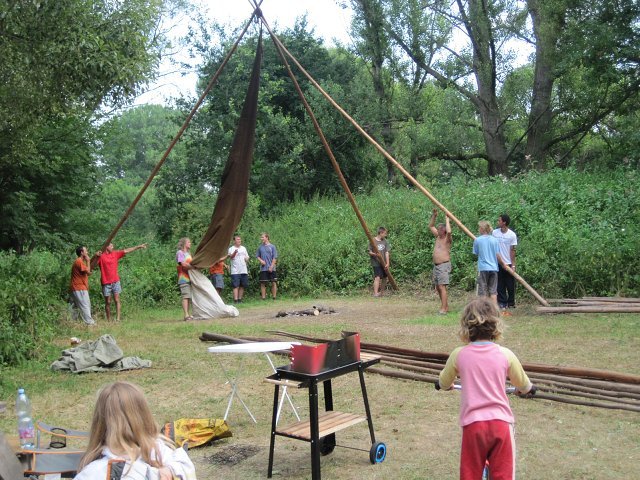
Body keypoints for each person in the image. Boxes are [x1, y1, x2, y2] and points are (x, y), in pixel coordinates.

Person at [436, 298, 536, 480]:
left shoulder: (459, 354)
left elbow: (443, 382)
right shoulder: (505, 355)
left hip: (473, 425)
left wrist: (445, 385)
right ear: (496, 325)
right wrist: (526, 390)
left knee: (470, 474)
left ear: (466, 326)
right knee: (503, 474)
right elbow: (524, 385)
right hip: (500, 424)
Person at [74, 381, 197, 480]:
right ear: (144, 416)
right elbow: (185, 467)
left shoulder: (93, 472)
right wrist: (168, 471)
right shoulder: (163, 453)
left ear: (99, 424)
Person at [96, 242, 147, 322]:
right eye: (111, 245)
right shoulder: (101, 256)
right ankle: (109, 320)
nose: (113, 247)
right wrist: (96, 256)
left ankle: (118, 319)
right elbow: (92, 265)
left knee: (117, 300)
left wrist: (139, 246)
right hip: (106, 282)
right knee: (108, 302)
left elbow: (127, 250)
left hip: (115, 281)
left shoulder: (115, 254)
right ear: (106, 247)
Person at [493, 214, 518, 314]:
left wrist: (513, 265)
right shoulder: (495, 233)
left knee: (510, 284)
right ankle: (502, 303)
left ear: (504, 222)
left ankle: (511, 302)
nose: (498, 222)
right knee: (500, 284)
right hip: (498, 262)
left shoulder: (512, 235)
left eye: (499, 220)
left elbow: (513, 251)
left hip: (508, 263)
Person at [472, 221, 502, 305]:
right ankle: (494, 310)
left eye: (479, 227)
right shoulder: (495, 240)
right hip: (493, 268)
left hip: (483, 268)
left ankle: (483, 309)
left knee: (482, 291)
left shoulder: (477, 240)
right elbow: (497, 254)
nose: (478, 229)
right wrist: (503, 264)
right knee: (493, 291)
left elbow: (476, 253)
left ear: (482, 229)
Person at [429, 209, 452, 314]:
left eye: (440, 229)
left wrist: (447, 219)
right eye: (437, 229)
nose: (437, 230)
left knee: (442, 286)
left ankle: (443, 309)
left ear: (444, 230)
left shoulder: (447, 239)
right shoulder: (438, 236)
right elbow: (431, 226)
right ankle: (445, 306)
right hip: (436, 266)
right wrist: (434, 215)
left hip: (444, 265)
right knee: (438, 287)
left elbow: (449, 231)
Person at [69, 246, 96, 326]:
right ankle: (90, 323)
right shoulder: (79, 261)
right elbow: (88, 271)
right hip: (79, 288)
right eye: (86, 251)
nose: (87, 252)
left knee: (75, 307)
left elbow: (88, 271)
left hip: (76, 288)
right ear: (81, 252)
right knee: (85, 305)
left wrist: (94, 257)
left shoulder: (80, 261)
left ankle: (72, 323)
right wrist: (88, 261)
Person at [367, 227, 390, 297]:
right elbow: (369, 252)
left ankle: (381, 293)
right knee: (377, 277)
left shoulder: (385, 241)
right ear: (380, 233)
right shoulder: (372, 240)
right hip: (376, 262)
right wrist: (375, 254)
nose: (386, 235)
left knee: (385, 277)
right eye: (385, 233)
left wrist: (388, 263)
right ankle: (376, 293)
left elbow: (387, 252)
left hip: (384, 263)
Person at [176, 238, 195, 321]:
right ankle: (186, 315)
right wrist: (192, 267)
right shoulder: (180, 253)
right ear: (184, 243)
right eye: (188, 242)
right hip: (183, 278)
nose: (190, 243)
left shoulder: (189, 254)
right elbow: (182, 264)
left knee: (189, 297)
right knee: (186, 296)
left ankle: (188, 314)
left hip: (191, 278)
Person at [228, 235, 250, 303]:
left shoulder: (243, 248)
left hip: (243, 270)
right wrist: (235, 252)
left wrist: (247, 259)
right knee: (235, 286)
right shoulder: (231, 248)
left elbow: (247, 257)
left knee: (242, 285)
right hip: (235, 270)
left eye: (240, 239)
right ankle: (235, 300)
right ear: (234, 241)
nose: (239, 240)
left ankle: (240, 300)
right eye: (237, 239)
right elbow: (231, 257)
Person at [256, 232, 278, 300]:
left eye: (262, 237)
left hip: (272, 268)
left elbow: (275, 257)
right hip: (263, 268)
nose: (261, 238)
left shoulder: (272, 247)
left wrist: (271, 266)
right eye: (261, 237)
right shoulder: (260, 247)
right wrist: (261, 261)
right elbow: (257, 256)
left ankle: (274, 297)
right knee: (263, 283)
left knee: (273, 282)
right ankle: (263, 298)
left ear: (267, 238)